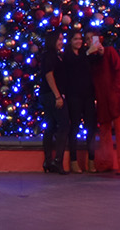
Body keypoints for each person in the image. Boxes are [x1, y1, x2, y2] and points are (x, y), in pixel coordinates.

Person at [88, 29, 120, 175]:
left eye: (92, 39)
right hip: (102, 98)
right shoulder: (90, 59)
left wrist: (115, 91)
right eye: (87, 40)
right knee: (104, 130)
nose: (89, 42)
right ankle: (106, 162)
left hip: (115, 96)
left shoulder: (110, 51)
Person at [59, 30, 96, 173]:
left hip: (88, 96)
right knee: (74, 127)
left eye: (80, 39)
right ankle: (74, 161)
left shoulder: (84, 54)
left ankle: (91, 160)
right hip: (74, 96)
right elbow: (74, 65)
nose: (79, 41)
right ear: (70, 41)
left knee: (91, 128)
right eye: (76, 39)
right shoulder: (67, 56)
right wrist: (87, 54)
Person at [37, 30, 70, 173]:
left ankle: (48, 161)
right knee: (64, 124)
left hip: (47, 94)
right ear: (52, 40)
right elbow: (49, 75)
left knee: (50, 125)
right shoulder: (50, 56)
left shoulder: (53, 55)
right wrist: (57, 96)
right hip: (51, 95)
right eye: (59, 39)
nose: (61, 41)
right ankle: (57, 160)